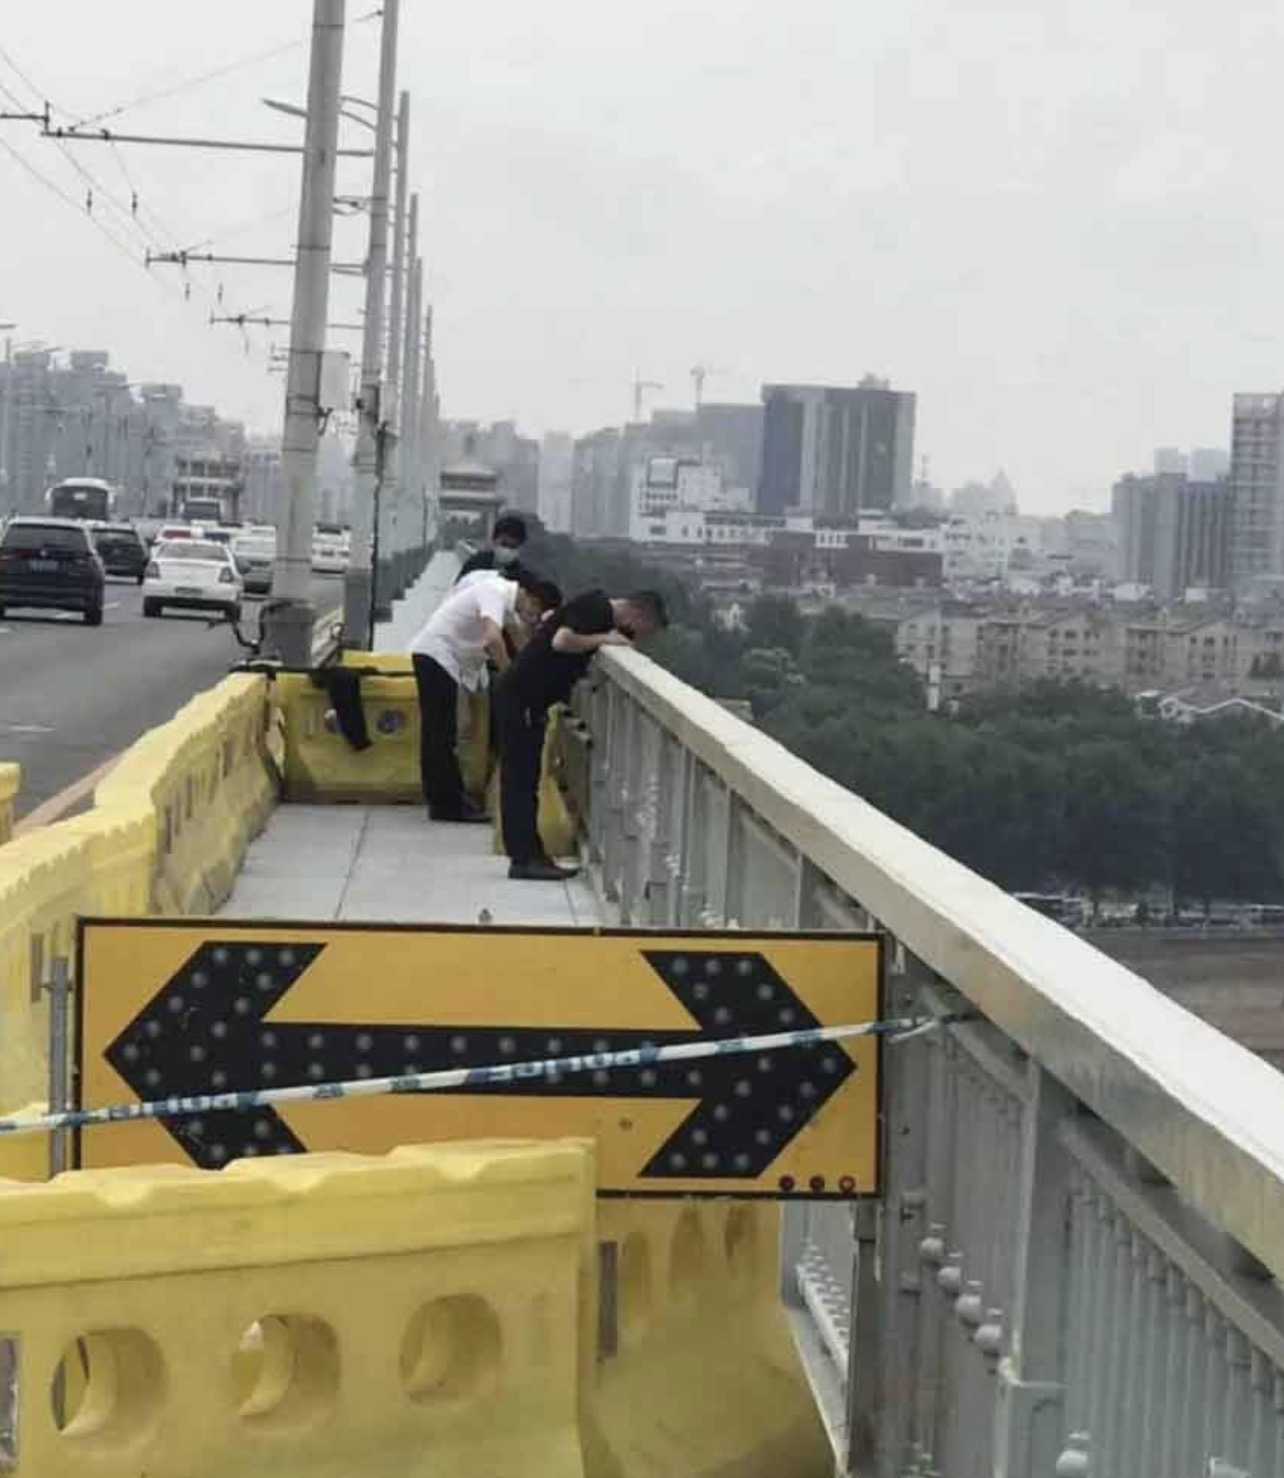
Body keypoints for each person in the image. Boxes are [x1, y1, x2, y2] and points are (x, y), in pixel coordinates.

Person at [496, 589, 668, 880]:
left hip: (528, 702)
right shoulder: (596, 608)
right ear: (638, 614)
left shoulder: (598, 613)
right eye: (644, 629)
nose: (638, 635)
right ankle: (523, 859)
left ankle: (531, 854)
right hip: (521, 699)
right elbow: (561, 640)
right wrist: (605, 639)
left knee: (526, 781)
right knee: (520, 782)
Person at [410, 569, 562, 823]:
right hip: (436, 656)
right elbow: (493, 639)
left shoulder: (509, 605)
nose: (531, 619)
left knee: (442, 733)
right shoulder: (495, 592)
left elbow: (521, 642)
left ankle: (446, 798)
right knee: (440, 734)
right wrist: (510, 679)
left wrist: (536, 674)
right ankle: (446, 805)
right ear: (530, 598)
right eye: (534, 614)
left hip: (442, 660)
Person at [455, 513, 528, 583]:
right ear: (494, 540)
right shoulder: (475, 564)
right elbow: (458, 590)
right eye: (504, 544)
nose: (507, 550)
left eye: (513, 547)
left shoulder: (521, 575)